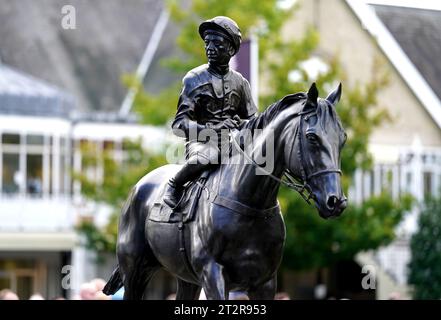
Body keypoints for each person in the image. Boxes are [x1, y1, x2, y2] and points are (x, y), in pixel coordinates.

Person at [163, 16, 257, 208]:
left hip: (232, 143)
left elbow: (254, 121)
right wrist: (213, 129)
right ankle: (174, 185)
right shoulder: (193, 79)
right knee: (210, 154)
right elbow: (179, 125)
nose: (210, 48)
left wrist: (241, 124)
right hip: (201, 143)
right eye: (207, 43)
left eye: (217, 43)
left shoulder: (240, 83)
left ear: (231, 49)